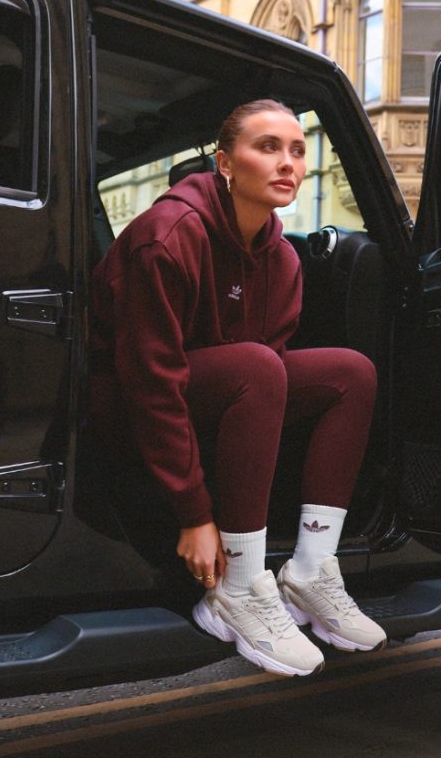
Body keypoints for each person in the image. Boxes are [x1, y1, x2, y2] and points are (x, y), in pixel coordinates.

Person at [91, 99, 387, 677]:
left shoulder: (283, 259)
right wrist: (194, 513)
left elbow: (260, 380)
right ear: (224, 163)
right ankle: (241, 586)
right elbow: (150, 382)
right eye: (267, 147)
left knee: (351, 373)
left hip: (203, 397)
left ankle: (310, 571)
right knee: (257, 366)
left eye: (297, 150)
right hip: (123, 408)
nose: (288, 163)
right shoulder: (167, 236)